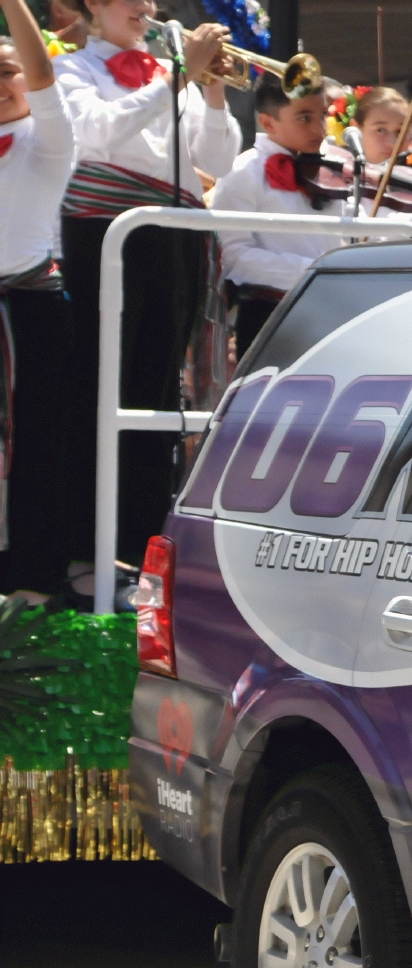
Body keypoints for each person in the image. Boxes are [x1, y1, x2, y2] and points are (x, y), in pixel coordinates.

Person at [55, 0, 237, 580]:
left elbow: (217, 160)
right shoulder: (72, 70)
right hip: (103, 236)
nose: (148, 9)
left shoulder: (168, 74)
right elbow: (98, 135)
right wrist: (180, 75)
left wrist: (210, 92)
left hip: (171, 237)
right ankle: (85, 548)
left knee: (158, 391)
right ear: (95, 6)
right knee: (98, 385)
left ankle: (142, 545)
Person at [0, 0, 75, 597]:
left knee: (37, 446)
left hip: (31, 308)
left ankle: (35, 578)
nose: (3, 84)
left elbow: (45, 76)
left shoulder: (46, 138)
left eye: (7, 71)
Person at [211, 72, 349, 357]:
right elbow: (233, 255)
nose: (320, 128)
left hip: (330, 308)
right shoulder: (244, 171)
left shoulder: (331, 168)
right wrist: (311, 271)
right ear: (267, 123)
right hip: (270, 313)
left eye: (323, 115)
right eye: (304, 118)